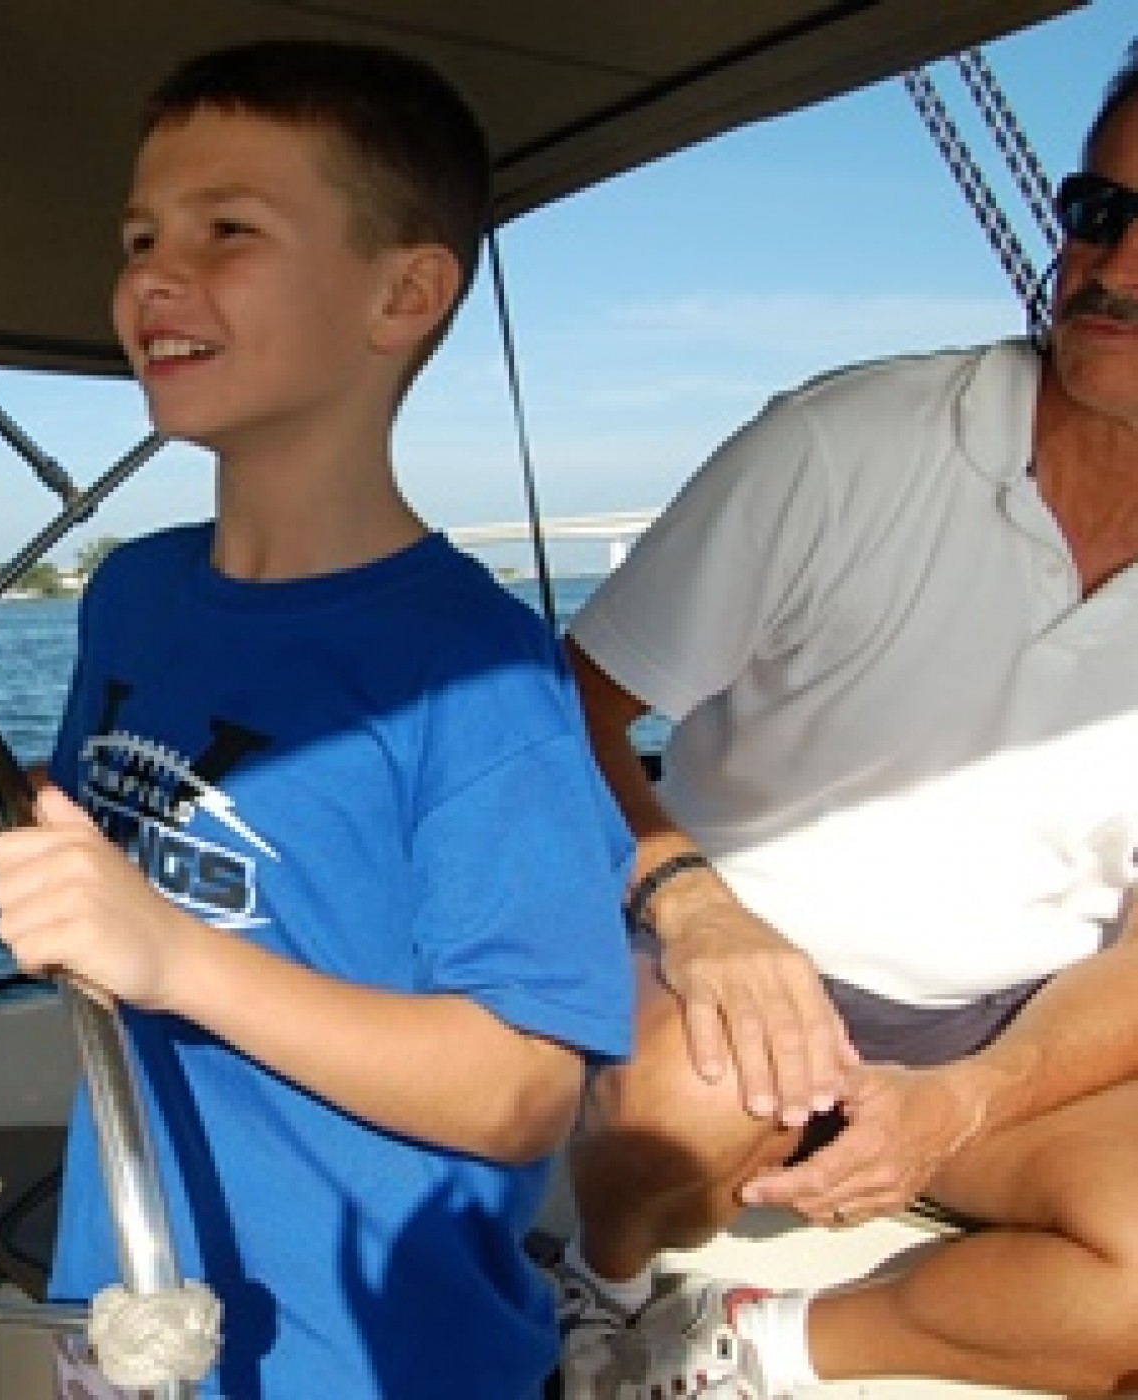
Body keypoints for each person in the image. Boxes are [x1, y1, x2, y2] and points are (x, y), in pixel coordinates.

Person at [0, 40, 633, 1396]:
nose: (154, 275)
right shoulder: (137, 595)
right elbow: (92, 811)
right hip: (131, 1303)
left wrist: (172, 956)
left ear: (403, 294)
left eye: (229, 232)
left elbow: (522, 1087)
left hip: (367, 1357)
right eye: (142, 235)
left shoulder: (478, 671)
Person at [549, 46, 1138, 1400]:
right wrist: (692, 906)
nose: (1107, 268)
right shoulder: (842, 446)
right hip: (732, 976)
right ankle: (605, 1278)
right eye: (1097, 211)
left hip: (1009, 1028)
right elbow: (557, 708)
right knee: (668, 1119)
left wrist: (968, 1102)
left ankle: (749, 1344)